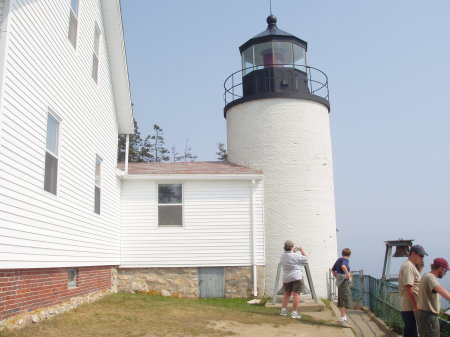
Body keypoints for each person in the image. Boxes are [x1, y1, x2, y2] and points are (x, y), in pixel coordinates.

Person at [398, 244, 428, 337]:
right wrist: (416, 306)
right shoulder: (409, 267)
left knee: (410, 332)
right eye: (421, 256)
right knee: (412, 333)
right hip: (411, 308)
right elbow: (408, 287)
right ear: (413, 254)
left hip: (409, 307)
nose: (422, 258)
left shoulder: (410, 265)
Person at [416, 258, 450, 337]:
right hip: (428, 316)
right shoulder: (430, 277)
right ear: (441, 269)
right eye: (445, 271)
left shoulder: (426, 276)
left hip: (424, 315)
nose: (445, 273)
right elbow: (439, 289)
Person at [279, 240, 307, 319]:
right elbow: (305, 258)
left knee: (287, 294)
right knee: (296, 294)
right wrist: (302, 251)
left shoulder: (282, 256)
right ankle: (294, 313)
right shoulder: (295, 255)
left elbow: (285, 260)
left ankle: (283, 311)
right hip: (297, 276)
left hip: (286, 277)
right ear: (291, 247)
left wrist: (293, 253)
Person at [332, 248, 352, 327]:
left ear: (342, 253)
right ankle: (343, 321)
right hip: (344, 283)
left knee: (343, 301)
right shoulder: (345, 260)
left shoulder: (338, 260)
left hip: (340, 282)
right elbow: (343, 266)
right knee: (346, 301)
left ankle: (344, 319)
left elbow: (333, 270)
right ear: (349, 254)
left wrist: (337, 277)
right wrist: (348, 275)